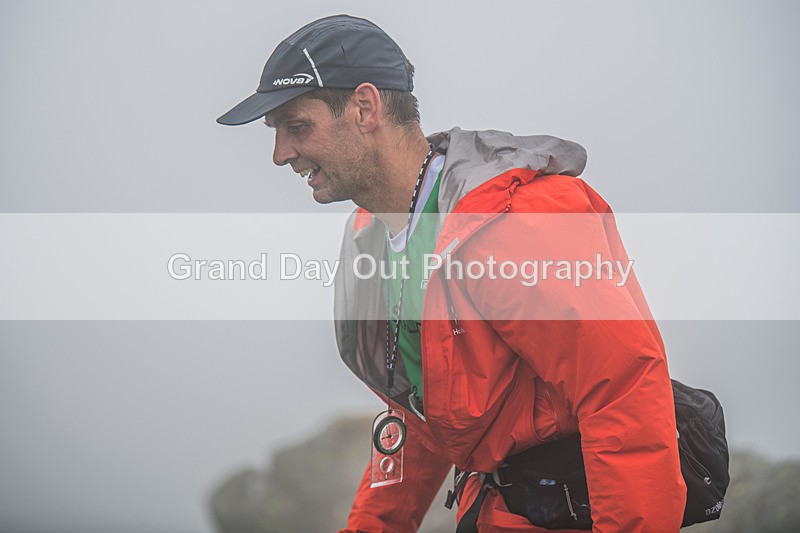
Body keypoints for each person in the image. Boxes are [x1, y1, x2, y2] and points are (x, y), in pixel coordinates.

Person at [218, 14, 686, 532]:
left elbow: (623, 392)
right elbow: (422, 414)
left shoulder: (513, 219)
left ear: (365, 108)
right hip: (489, 511)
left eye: (296, 126)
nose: (281, 154)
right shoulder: (374, 234)